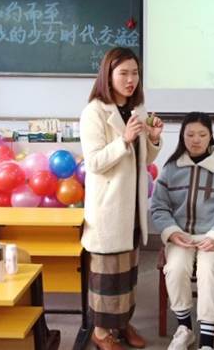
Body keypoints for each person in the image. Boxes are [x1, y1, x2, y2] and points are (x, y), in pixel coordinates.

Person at [80, 47, 163, 350]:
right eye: (123, 73)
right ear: (108, 75)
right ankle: (101, 332)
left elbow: (142, 160)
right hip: (109, 208)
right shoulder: (94, 112)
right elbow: (94, 163)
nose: (131, 80)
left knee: (128, 273)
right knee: (107, 276)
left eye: (135, 73)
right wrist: (124, 139)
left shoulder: (137, 109)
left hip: (132, 207)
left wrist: (153, 139)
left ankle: (123, 323)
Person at [150, 112, 214, 350]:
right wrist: (172, 232)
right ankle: (185, 330)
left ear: (210, 136)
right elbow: (159, 207)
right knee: (175, 268)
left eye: (202, 134)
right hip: (180, 237)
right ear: (182, 136)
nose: (196, 140)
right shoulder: (171, 168)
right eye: (190, 134)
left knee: (209, 271)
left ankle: (207, 342)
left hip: (211, 236)